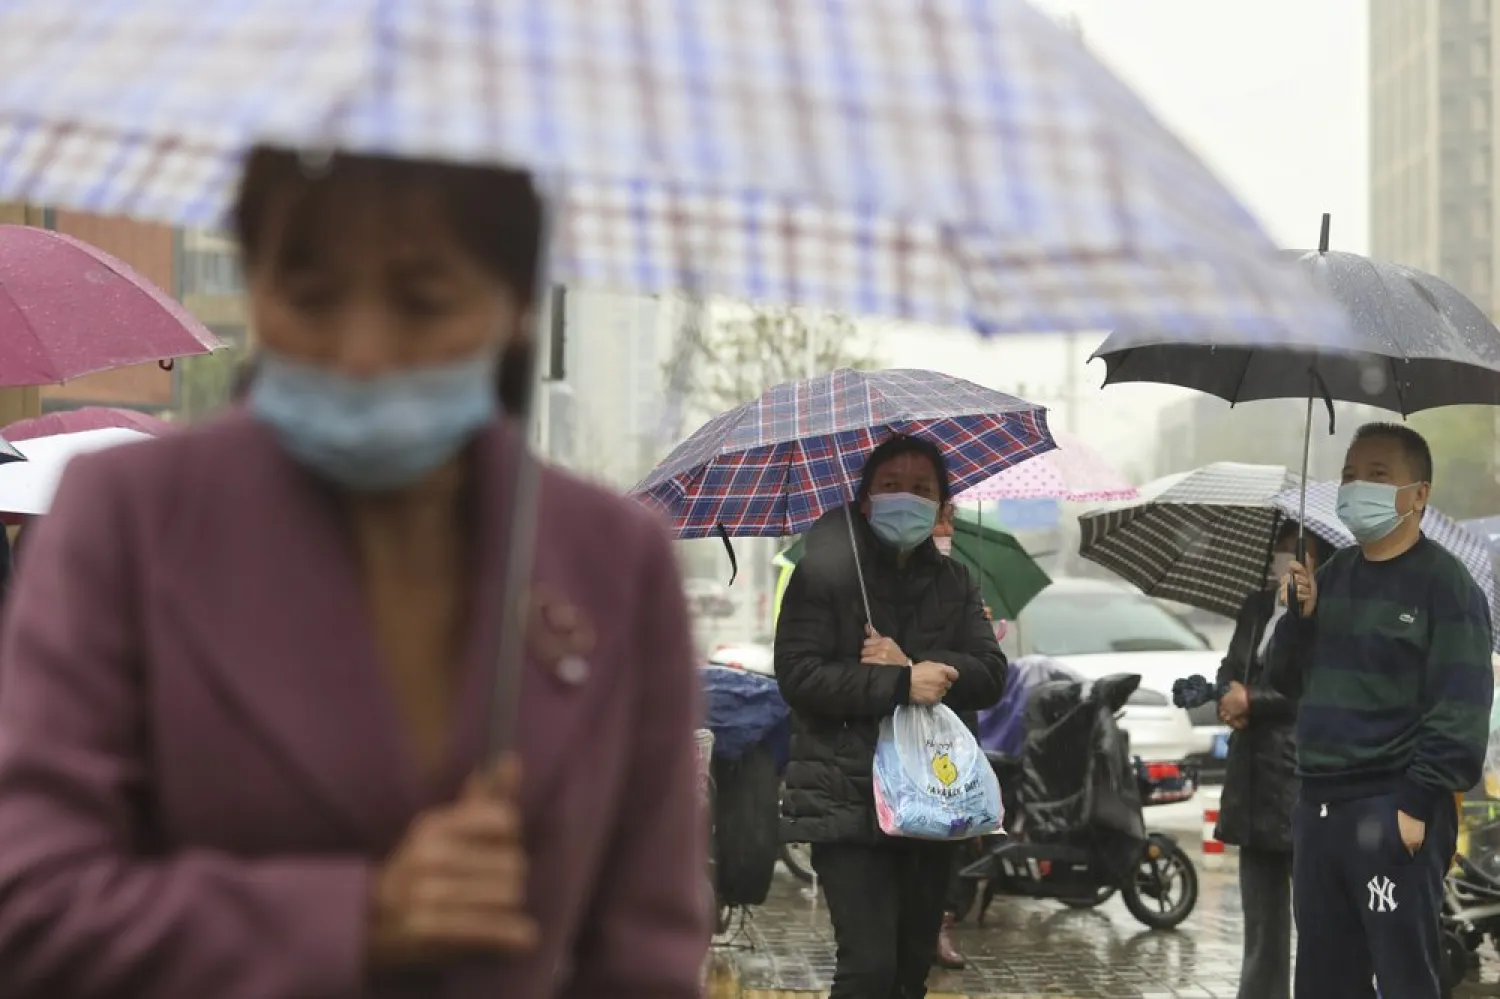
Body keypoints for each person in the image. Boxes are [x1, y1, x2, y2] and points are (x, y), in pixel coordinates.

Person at [0, 148, 709, 998]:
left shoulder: (615, 560)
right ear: (258, 289)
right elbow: (30, 904)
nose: (362, 350)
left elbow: (648, 955)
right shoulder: (127, 518)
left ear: (517, 305)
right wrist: (356, 918)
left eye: (422, 300)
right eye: (310, 295)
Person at [1267, 423, 1493, 998]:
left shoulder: (1446, 585)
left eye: (1376, 475)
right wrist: (1300, 618)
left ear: (1418, 493)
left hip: (1393, 806)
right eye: (1348, 474)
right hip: (1318, 804)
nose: (1355, 487)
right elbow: (1283, 683)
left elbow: (1461, 704)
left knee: (1402, 972)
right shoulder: (1332, 574)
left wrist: (1418, 802)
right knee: (1323, 975)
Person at [776, 434, 1007, 999]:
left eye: (922, 489)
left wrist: (916, 666)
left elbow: (990, 673)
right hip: (845, 798)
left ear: (941, 505)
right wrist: (900, 684)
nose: (906, 498)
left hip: (932, 802)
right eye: (891, 486)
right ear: (863, 498)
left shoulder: (955, 583)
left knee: (909, 972)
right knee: (868, 970)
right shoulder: (820, 575)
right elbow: (799, 676)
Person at [1216, 520, 1328, 999]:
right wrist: (1227, 696)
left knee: (1318, 916)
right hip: (1251, 780)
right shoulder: (1256, 606)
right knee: (1261, 922)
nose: (1287, 558)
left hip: (1300, 776)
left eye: (1298, 550)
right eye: (1281, 549)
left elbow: (1314, 692)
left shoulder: (1326, 614)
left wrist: (1252, 701)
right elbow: (1229, 669)